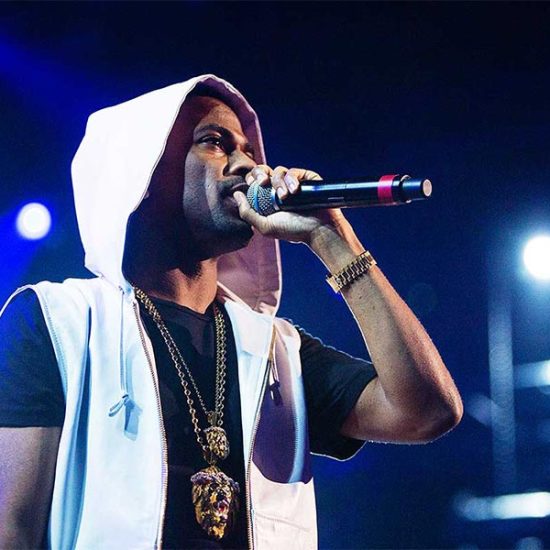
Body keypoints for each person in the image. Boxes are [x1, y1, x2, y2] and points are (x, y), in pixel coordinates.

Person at [0, 74, 462, 549]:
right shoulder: (58, 323)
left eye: (249, 151)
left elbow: (427, 411)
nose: (248, 165)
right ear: (142, 172)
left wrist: (334, 239)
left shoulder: (275, 351)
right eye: (215, 143)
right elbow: (11, 528)